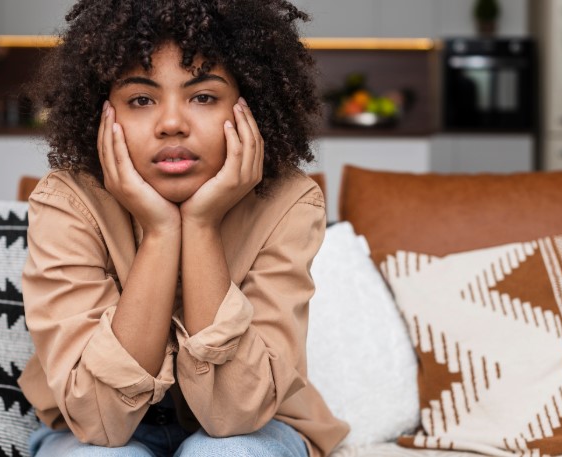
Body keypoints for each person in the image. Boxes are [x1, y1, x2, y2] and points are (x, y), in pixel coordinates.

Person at [18, 0, 349, 456]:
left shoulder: (289, 202)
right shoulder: (67, 201)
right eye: (140, 99)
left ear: (250, 106)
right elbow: (100, 421)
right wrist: (159, 232)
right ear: (101, 112)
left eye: (203, 97)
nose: (171, 123)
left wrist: (200, 224)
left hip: (256, 428)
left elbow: (236, 415)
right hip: (100, 433)